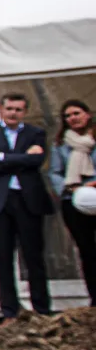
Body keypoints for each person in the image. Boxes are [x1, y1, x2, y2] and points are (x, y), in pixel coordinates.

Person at [0, 91, 54, 316]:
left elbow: (38, 160)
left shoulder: (35, 133)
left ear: (25, 112)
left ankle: (42, 308)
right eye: (9, 109)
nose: (13, 113)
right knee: (3, 257)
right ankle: (9, 310)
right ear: (2, 109)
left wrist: (1, 157)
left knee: (34, 257)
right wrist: (22, 158)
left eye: (18, 110)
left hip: (28, 199)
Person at [48, 99, 96, 296]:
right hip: (73, 200)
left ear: (87, 114)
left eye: (76, 113)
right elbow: (55, 172)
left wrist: (92, 184)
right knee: (87, 250)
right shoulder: (60, 144)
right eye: (67, 115)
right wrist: (70, 188)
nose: (72, 118)